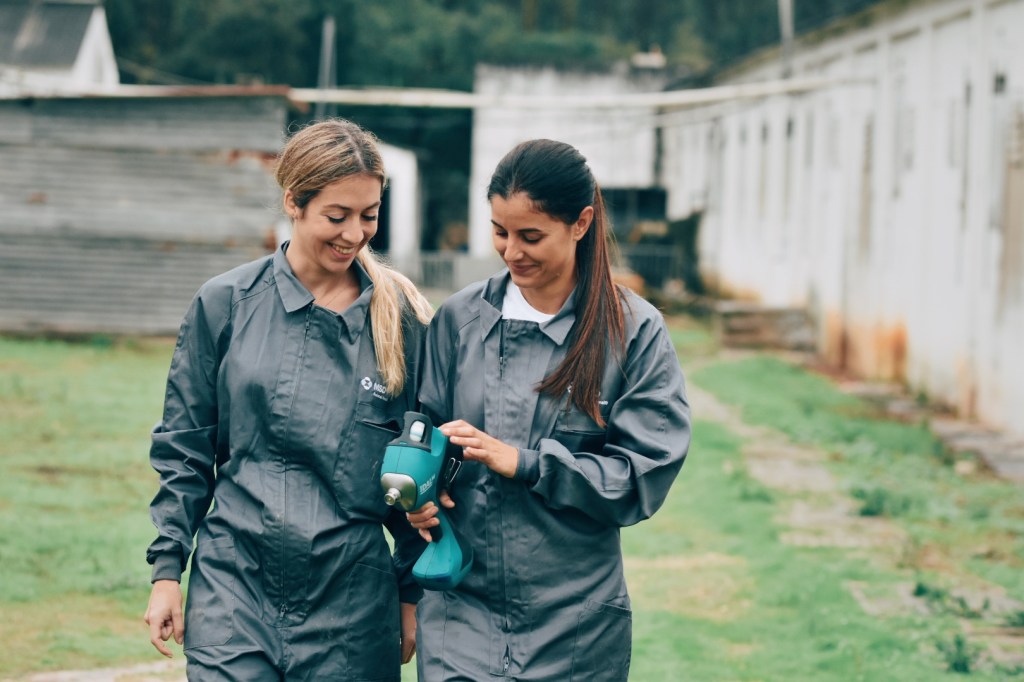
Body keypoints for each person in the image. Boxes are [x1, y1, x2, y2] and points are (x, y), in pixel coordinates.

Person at [143, 118, 432, 680]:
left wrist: (410, 593)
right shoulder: (224, 304)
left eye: (369, 216)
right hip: (234, 586)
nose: (354, 234)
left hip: (352, 601)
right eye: (336, 216)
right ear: (293, 202)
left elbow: (420, 469)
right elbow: (185, 448)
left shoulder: (403, 323)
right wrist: (165, 573)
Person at [408, 138, 691, 681]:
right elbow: (423, 436)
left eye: (530, 236)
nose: (512, 251)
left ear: (581, 224)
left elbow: (642, 476)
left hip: (577, 627)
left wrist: (529, 463)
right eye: (499, 232)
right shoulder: (459, 321)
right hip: (459, 611)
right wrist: (421, 499)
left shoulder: (634, 331)